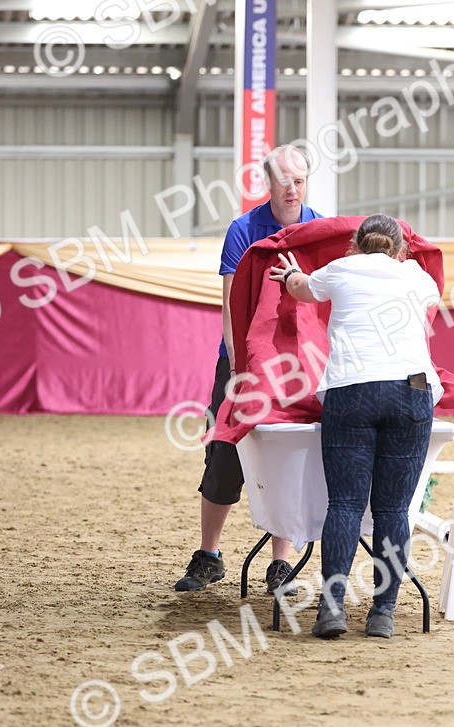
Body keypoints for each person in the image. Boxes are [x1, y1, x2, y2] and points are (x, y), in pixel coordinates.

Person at [269, 214, 442, 639]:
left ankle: (331, 609)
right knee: (393, 510)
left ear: (355, 245)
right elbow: (431, 296)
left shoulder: (339, 270)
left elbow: (299, 288)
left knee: (344, 505)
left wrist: (291, 272)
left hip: (351, 388)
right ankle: (383, 612)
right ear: (400, 249)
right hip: (411, 387)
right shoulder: (416, 275)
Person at [175, 144, 325, 595]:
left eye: (300, 182)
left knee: (285, 453)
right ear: (269, 183)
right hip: (241, 363)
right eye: (285, 182)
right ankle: (209, 556)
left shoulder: (318, 228)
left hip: (293, 366)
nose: (293, 190)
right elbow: (229, 304)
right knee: (223, 454)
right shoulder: (243, 230)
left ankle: (281, 565)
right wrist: (239, 371)